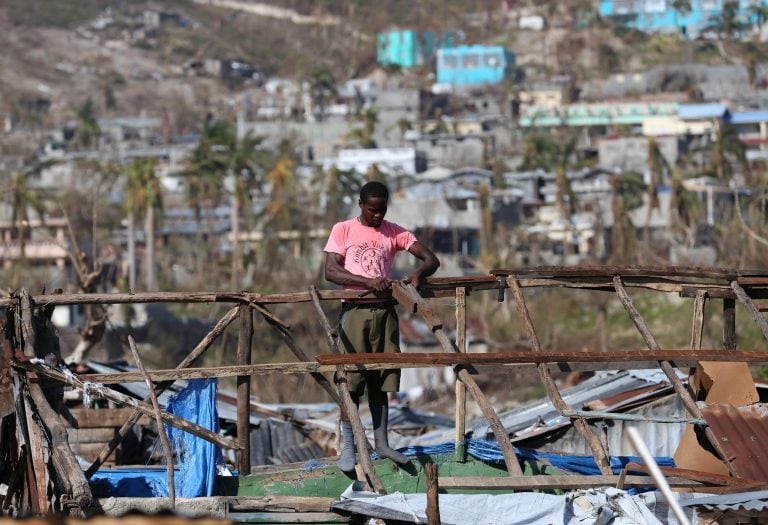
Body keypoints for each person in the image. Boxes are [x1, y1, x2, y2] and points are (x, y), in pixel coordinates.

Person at [324, 181, 440, 472]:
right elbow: (331, 271)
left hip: (385, 313)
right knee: (351, 382)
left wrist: (418, 273)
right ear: (361, 205)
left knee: (382, 378)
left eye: (382, 210)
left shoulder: (394, 232)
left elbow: (431, 259)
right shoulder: (344, 229)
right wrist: (366, 281)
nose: (376, 216)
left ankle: (382, 442)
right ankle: (348, 447)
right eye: (372, 210)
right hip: (355, 311)